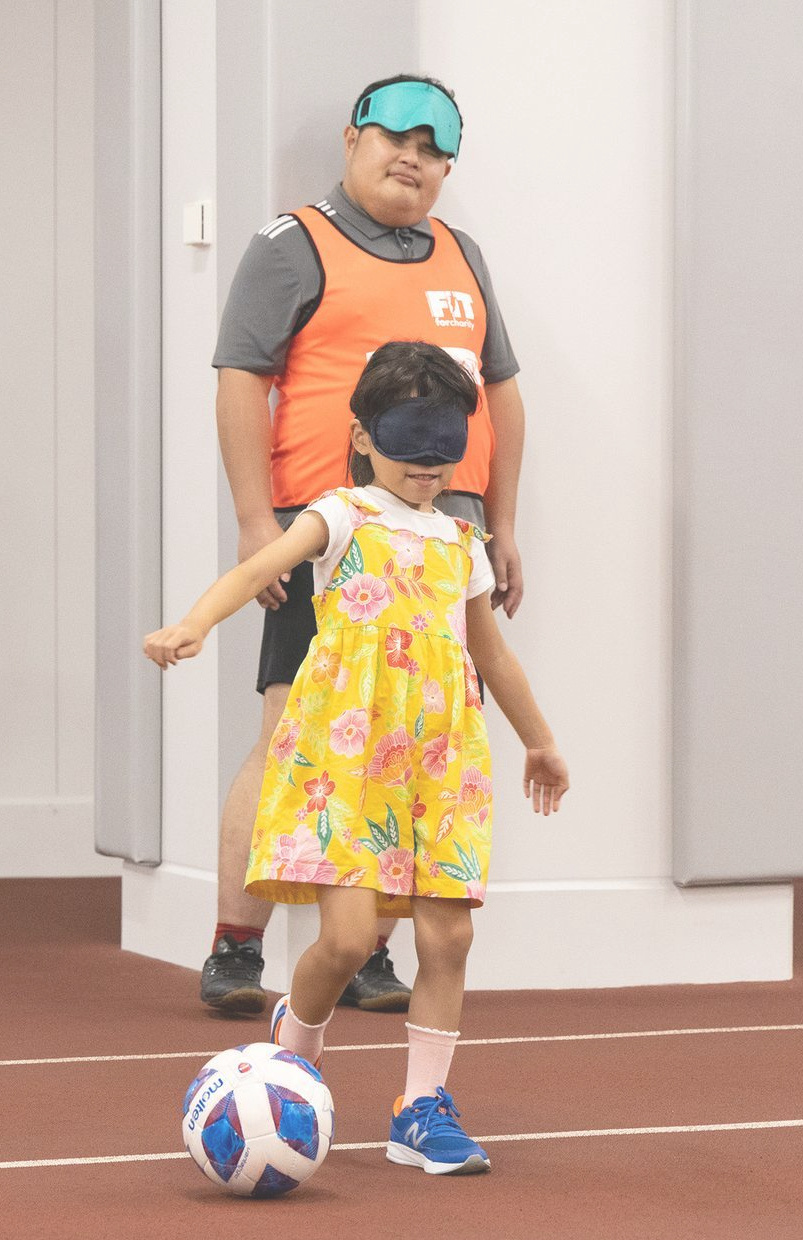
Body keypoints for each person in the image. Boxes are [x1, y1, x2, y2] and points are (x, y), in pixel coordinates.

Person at [148, 341, 567, 1175]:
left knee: (448, 936)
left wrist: (539, 739)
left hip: (441, 760)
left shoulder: (461, 539)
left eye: (444, 444)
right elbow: (259, 568)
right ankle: (292, 1059)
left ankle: (420, 1109)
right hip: (349, 760)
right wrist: (193, 622)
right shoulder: (340, 516)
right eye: (409, 441)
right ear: (364, 436)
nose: (427, 462)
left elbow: (489, 651)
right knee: (344, 943)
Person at [204, 73, 527, 1015]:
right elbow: (240, 377)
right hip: (332, 536)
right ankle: (234, 945)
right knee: (292, 730)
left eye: (432, 151)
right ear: (353, 140)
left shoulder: (462, 255)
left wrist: (502, 523)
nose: (411, 160)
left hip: (445, 539)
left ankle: (369, 951)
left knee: (413, 742)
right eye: (395, 139)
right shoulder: (292, 243)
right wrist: (255, 518)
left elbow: (501, 393)